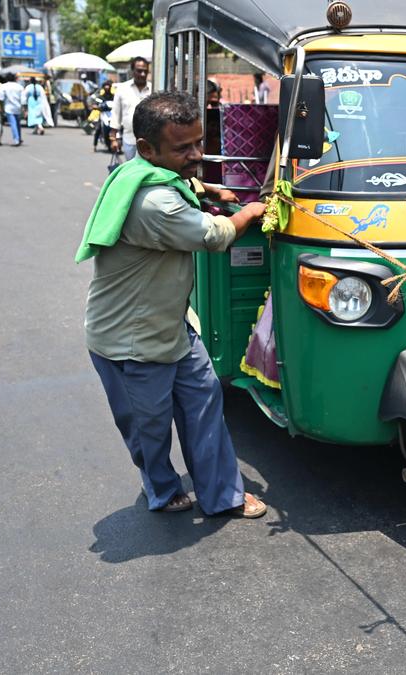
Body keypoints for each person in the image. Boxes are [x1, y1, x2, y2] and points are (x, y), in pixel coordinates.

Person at [76, 91, 269, 519]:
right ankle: (162, 489)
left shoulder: (141, 172)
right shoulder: (155, 202)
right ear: (147, 148)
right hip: (131, 341)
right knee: (149, 431)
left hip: (173, 324)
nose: (196, 154)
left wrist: (208, 187)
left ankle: (224, 495)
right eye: (183, 148)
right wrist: (251, 211)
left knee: (205, 405)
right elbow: (215, 236)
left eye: (199, 143)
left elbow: (183, 182)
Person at [110, 57, 152, 161]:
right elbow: (116, 114)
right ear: (132, 71)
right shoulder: (122, 89)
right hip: (129, 140)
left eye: (145, 71)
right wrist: (113, 138)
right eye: (139, 71)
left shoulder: (153, 89)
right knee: (132, 172)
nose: (142, 74)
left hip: (150, 142)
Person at [0, 74, 25, 146]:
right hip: (18, 107)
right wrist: (24, 108)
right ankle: (19, 138)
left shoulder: (3, 86)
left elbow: (1, 98)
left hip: (8, 108)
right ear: (15, 79)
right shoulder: (19, 86)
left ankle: (16, 139)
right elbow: (23, 99)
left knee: (13, 124)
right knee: (18, 124)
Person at [91, 80, 115, 152]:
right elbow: (94, 104)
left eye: (108, 86)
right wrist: (97, 107)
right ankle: (94, 146)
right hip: (103, 115)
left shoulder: (113, 97)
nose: (107, 87)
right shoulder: (100, 97)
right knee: (98, 129)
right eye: (105, 86)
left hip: (112, 115)